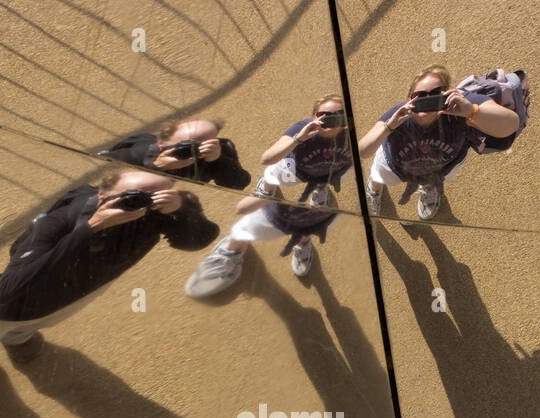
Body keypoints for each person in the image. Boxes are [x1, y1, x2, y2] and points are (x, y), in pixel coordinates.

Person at [0, 167, 218, 390]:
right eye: (133, 197)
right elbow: (11, 289)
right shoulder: (57, 223)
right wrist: (93, 228)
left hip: (80, 291)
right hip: (16, 303)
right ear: (102, 195)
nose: (142, 205)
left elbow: (199, 239)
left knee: (47, 319)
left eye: (154, 198)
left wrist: (182, 209)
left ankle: (17, 340)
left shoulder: (153, 214)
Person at [183, 95, 352, 297]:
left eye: (337, 115)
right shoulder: (303, 128)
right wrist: (300, 138)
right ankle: (267, 189)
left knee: (312, 212)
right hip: (294, 169)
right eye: (323, 115)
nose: (330, 119)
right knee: (275, 173)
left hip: (322, 171)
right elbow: (267, 158)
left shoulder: (349, 137)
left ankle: (317, 197)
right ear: (313, 117)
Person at [358, 64, 521, 220]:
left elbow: (511, 125)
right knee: (378, 175)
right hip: (393, 165)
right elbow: (364, 151)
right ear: (409, 98)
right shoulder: (399, 114)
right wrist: (389, 126)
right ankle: (374, 190)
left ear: (448, 93)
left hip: (443, 166)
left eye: (437, 93)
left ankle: (429, 187)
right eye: (420, 96)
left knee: (432, 178)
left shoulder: (461, 104)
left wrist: (471, 111)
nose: (428, 99)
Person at [98, 118, 251, 190]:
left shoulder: (219, 152)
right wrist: (157, 166)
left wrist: (218, 160)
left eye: (200, 145)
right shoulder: (139, 150)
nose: (192, 151)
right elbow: (110, 164)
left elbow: (240, 183)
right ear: (161, 141)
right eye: (185, 144)